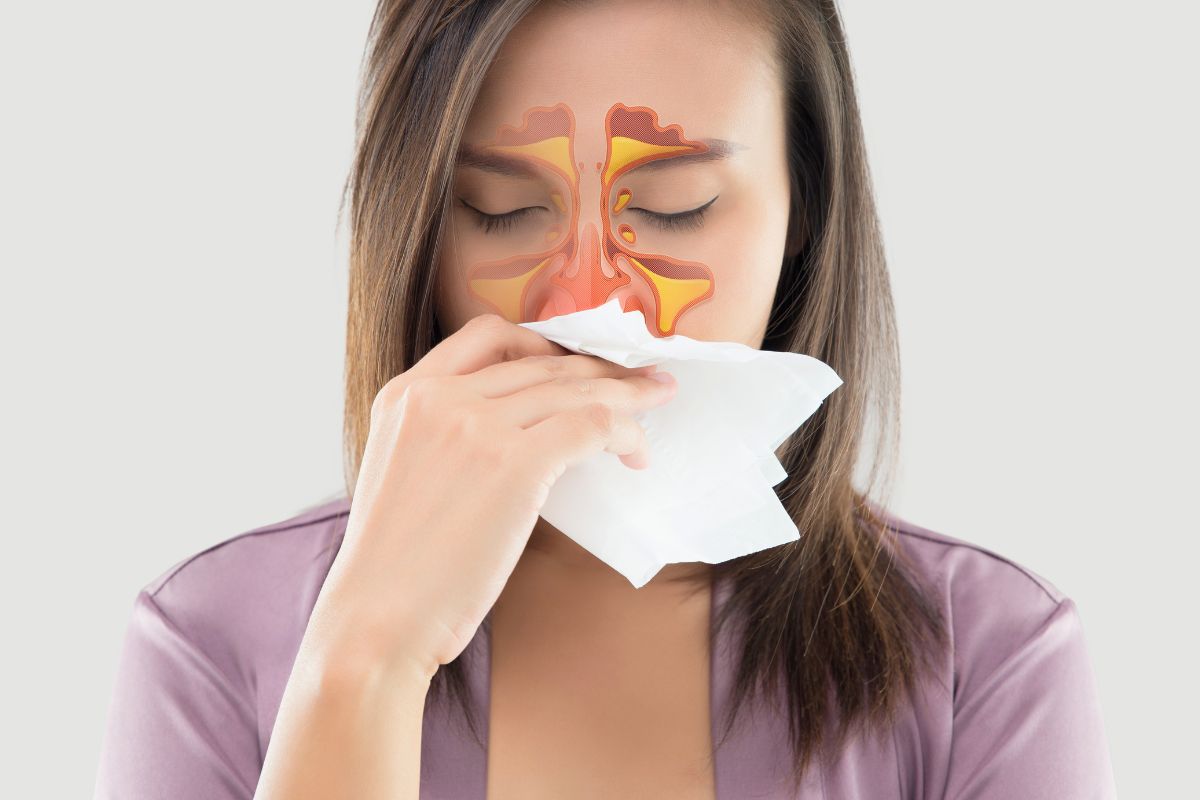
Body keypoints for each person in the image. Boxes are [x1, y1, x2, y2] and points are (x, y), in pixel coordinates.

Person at [93, 0, 1119, 797]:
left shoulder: (987, 657)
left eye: (677, 211)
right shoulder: (212, 643)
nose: (591, 303)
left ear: (806, 203)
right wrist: (364, 657)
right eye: (502, 212)